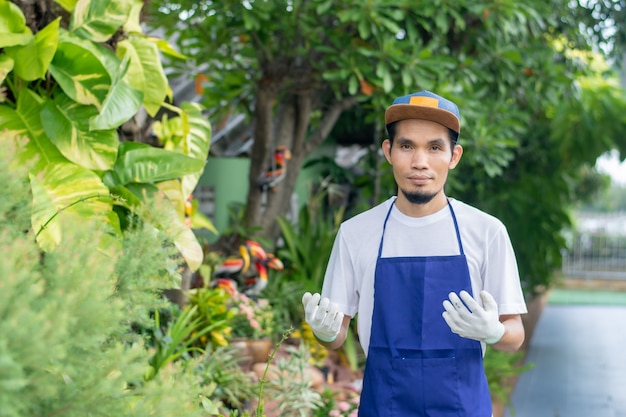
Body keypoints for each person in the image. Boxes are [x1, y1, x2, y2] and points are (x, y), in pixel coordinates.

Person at [302, 91, 527, 417]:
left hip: (463, 407)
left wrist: (494, 332)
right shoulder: (356, 233)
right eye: (407, 146)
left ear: (454, 156)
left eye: (435, 147)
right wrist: (323, 332)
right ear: (388, 151)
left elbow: (514, 334)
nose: (420, 161)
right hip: (385, 405)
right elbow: (336, 335)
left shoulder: (486, 232)